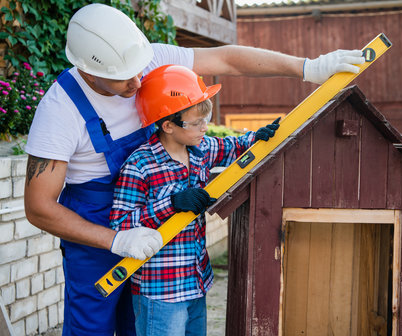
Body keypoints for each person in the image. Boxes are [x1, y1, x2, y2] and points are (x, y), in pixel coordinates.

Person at [23, 3, 364, 336]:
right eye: (123, 79)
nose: (138, 82)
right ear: (88, 71)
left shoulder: (145, 59)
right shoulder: (60, 111)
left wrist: (308, 67)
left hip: (161, 231)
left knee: (139, 322)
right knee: (92, 328)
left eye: (138, 71)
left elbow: (227, 58)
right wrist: (116, 239)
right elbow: (39, 207)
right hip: (96, 229)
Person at [110, 64, 279, 335]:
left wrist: (255, 138)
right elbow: (120, 225)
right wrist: (172, 204)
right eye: (197, 122)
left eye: (206, 119)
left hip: (195, 280)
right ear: (168, 125)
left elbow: (233, 146)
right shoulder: (139, 165)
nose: (205, 127)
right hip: (160, 289)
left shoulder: (201, 148)